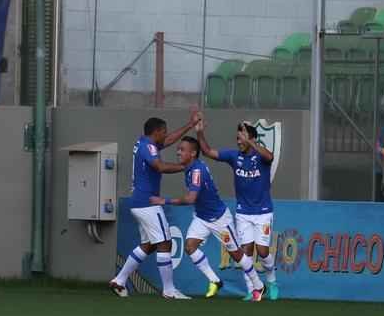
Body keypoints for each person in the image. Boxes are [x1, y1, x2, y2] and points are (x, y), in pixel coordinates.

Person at [149, 134, 265, 302]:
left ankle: (259, 285)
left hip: (219, 219)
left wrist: (164, 200)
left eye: (182, 150)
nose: (178, 153)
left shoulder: (197, 171)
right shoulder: (190, 168)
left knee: (236, 254)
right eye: (178, 150)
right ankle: (215, 280)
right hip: (202, 218)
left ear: (193, 153)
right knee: (190, 247)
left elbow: (190, 199)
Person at [108, 114, 198, 299]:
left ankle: (119, 280)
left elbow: (171, 140)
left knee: (148, 245)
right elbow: (160, 166)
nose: (166, 135)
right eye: (164, 132)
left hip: (139, 202)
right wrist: (186, 166)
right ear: (156, 132)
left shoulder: (144, 143)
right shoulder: (148, 147)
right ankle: (169, 290)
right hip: (148, 203)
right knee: (165, 242)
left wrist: (190, 124)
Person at [196, 120, 279, 301]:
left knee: (263, 251)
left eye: (242, 137)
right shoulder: (234, 156)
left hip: (263, 211)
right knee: (246, 251)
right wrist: (200, 133)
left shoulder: (260, 157)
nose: (239, 141)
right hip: (243, 212)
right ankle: (254, 290)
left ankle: (272, 281)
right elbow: (208, 152)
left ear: (252, 138)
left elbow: (270, 156)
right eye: (237, 138)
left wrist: (250, 142)